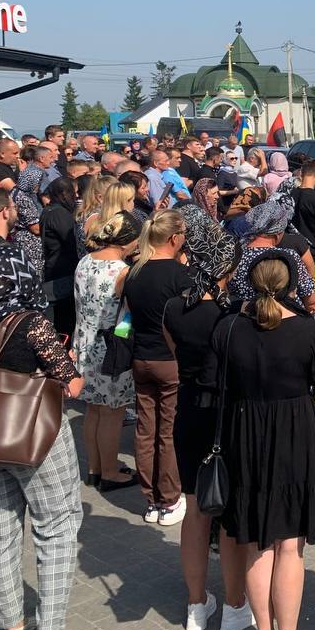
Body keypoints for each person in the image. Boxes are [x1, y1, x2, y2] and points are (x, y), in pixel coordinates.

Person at [0, 188, 91, 630]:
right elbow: (70, 383)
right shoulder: (28, 322)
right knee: (56, 520)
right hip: (30, 428)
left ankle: (11, 624)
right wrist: (71, 372)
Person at [217, 254, 315, 630]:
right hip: (295, 431)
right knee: (289, 544)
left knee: (258, 541)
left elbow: (214, 379)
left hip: (246, 432)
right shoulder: (308, 329)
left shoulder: (231, 328)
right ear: (291, 285)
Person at [160, 207, 254, 630]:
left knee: (196, 510)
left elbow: (174, 353)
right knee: (229, 513)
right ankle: (235, 606)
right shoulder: (233, 315)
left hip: (189, 411)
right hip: (226, 412)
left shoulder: (173, 309)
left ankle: (196, 605)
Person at [123, 209, 194, 524]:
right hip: (169, 359)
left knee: (145, 429)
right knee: (167, 432)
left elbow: (127, 316)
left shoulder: (134, 272)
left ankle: (151, 500)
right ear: (175, 238)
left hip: (141, 357)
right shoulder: (180, 276)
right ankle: (169, 499)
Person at [73, 210, 142, 492]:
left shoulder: (85, 261)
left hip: (84, 341)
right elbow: (128, 315)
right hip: (110, 347)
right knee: (113, 413)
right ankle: (111, 472)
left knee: (93, 410)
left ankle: (95, 468)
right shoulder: (122, 272)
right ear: (129, 240)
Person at [230, 201, 315, 316]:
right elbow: (309, 297)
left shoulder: (235, 255)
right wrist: (312, 306)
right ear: (277, 234)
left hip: (245, 317)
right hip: (284, 318)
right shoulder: (286, 257)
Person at [40, 176, 81, 336]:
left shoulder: (49, 210)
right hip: (62, 268)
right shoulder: (59, 213)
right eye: (73, 193)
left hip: (55, 265)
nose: (76, 196)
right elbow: (71, 241)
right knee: (64, 316)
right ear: (64, 193)